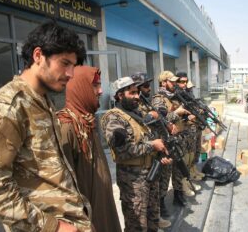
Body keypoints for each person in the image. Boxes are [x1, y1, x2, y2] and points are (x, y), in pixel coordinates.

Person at [0, 21, 93, 232]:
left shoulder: (43, 100)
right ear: (38, 56)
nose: (71, 74)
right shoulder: (7, 107)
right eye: (65, 63)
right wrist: (54, 227)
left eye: (73, 66)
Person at [101, 76, 172, 232]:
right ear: (120, 95)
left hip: (150, 175)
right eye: (132, 93)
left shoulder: (137, 114)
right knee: (137, 225)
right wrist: (152, 146)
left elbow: (149, 139)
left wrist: (160, 154)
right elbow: (123, 151)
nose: (137, 96)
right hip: (132, 181)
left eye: (137, 92)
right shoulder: (114, 118)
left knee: (152, 219)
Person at [57, 66, 122, 232]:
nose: (100, 91)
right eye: (95, 86)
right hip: (86, 218)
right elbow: (63, 187)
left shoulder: (86, 121)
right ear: (79, 87)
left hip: (101, 207)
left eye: (100, 85)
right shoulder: (66, 127)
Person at [131, 72, 172, 228]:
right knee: (143, 198)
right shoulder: (135, 106)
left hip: (155, 148)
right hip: (145, 152)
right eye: (145, 86)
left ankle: (156, 219)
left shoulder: (146, 101)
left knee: (154, 190)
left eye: (149, 85)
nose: (149, 88)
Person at [152, 70, 195, 208]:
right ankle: (161, 203)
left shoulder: (174, 97)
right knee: (165, 174)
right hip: (166, 141)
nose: (175, 84)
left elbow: (179, 117)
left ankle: (178, 194)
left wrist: (186, 117)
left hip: (178, 138)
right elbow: (160, 120)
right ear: (164, 82)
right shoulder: (158, 99)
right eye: (172, 81)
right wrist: (177, 112)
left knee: (178, 170)